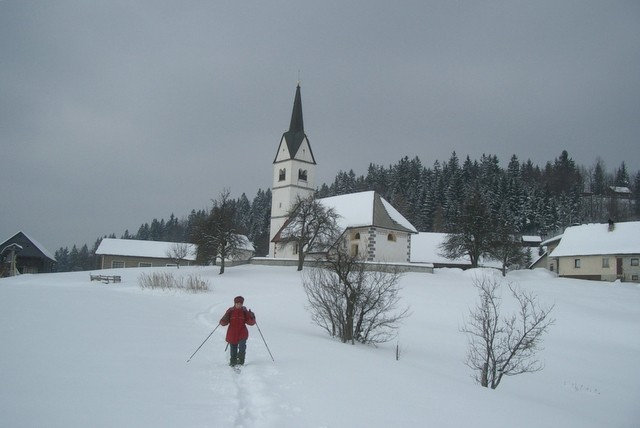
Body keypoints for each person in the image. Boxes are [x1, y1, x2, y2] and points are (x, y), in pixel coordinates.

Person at [219, 296, 256, 366]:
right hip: (232, 333)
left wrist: (252, 317)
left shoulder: (244, 311)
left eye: (240, 304)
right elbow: (223, 323)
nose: (239, 305)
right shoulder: (230, 311)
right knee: (233, 349)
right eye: (237, 303)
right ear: (235, 303)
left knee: (242, 347)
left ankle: (241, 361)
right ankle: (233, 361)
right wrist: (223, 319)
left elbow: (251, 323)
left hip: (242, 332)